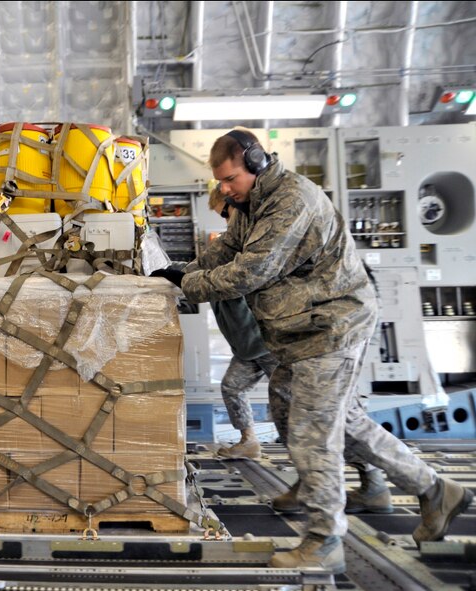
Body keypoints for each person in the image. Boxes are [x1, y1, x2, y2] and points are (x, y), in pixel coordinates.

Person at [154, 128, 472, 574]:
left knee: (310, 431)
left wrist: (188, 285)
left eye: (229, 179)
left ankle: (324, 540)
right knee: (299, 415)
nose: (223, 189)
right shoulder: (252, 204)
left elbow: (250, 271)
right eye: (219, 181)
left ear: (257, 163)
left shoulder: (291, 201)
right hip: (299, 334)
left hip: (331, 327)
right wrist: (175, 270)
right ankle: (434, 490)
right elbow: (227, 249)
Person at [205, 187, 281, 460]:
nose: (225, 221)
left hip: (270, 342)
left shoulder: (253, 244)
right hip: (248, 346)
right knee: (232, 387)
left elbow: (228, 280)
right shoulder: (230, 244)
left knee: (297, 403)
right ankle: (249, 441)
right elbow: (203, 270)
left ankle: (328, 466)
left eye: (226, 213)